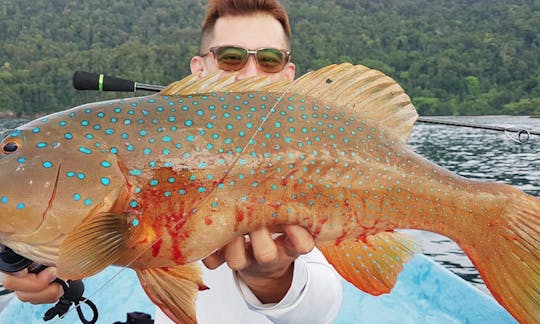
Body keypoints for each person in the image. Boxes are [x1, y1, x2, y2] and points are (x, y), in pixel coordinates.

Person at [1, 0, 343, 323]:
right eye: (230, 57)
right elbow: (91, 224)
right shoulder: (132, 152)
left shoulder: (322, 156)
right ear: (199, 69)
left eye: (270, 59)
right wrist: (18, 258)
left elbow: (321, 306)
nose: (249, 72)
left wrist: (274, 278)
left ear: (288, 76)